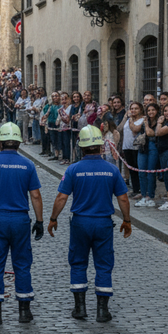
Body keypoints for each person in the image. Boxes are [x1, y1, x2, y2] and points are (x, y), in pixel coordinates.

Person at [47, 125, 132, 323]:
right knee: (103, 265)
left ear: (81, 147)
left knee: (78, 263)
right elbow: (124, 199)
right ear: (101, 147)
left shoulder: (73, 169)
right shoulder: (111, 169)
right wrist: (127, 220)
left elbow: (61, 197)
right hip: (103, 223)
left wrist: (53, 218)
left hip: (80, 222)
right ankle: (102, 311)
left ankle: (80, 308)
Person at [0, 123, 44, 325]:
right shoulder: (28, 165)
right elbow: (36, 196)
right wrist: (39, 221)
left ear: (0, 142)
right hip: (20, 219)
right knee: (22, 264)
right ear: (19, 144)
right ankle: (24, 311)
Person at [119, 102, 145, 199]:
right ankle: (135, 189)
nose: (133, 110)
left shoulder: (142, 120)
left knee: (137, 168)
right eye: (132, 108)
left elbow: (135, 130)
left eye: (136, 108)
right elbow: (120, 128)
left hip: (136, 148)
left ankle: (140, 190)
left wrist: (130, 121)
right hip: (127, 147)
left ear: (140, 110)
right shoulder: (128, 119)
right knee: (131, 169)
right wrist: (126, 118)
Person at [137, 103, 160, 207]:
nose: (151, 112)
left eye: (153, 110)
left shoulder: (160, 121)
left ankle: (150, 196)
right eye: (149, 110)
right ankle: (143, 195)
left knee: (151, 172)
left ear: (157, 111)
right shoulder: (143, 121)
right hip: (143, 147)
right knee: (141, 172)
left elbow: (151, 133)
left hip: (153, 146)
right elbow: (135, 129)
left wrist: (146, 124)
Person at [156, 103, 168, 210]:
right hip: (164, 151)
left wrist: (159, 123)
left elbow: (159, 132)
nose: (166, 113)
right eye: (165, 111)